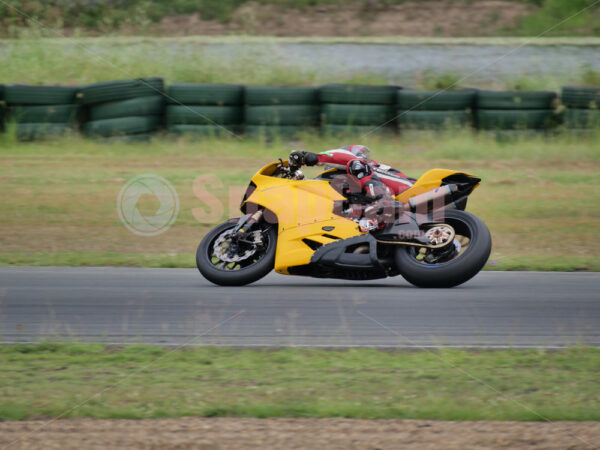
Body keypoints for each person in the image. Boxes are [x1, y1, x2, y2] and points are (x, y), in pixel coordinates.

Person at [289, 145, 413, 231]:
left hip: (407, 187)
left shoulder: (359, 161)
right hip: (399, 200)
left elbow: (343, 157)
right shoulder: (354, 183)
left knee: (356, 165)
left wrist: (313, 157)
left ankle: (384, 201)